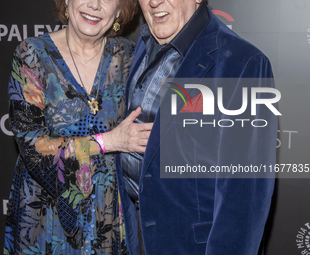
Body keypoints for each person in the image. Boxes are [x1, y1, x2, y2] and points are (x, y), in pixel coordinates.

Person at [115, 0, 278, 254]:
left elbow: (244, 203)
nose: (154, 2)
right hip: (139, 237)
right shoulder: (145, 42)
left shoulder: (242, 64)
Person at [3, 0, 153, 254]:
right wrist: (108, 142)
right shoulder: (32, 54)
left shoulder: (131, 58)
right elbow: (32, 146)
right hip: (46, 215)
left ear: (119, 10)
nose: (94, 5)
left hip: (109, 216)